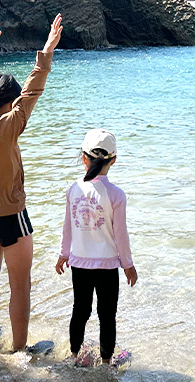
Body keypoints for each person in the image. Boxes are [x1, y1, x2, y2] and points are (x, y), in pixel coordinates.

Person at [0, 14, 63, 352]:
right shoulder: (8, 125)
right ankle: (20, 351)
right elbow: (33, 90)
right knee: (21, 285)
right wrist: (46, 51)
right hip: (8, 213)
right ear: (10, 103)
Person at [55, 129, 137, 367]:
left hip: (79, 263)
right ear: (113, 160)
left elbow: (67, 227)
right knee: (107, 315)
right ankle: (106, 361)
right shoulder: (116, 195)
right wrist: (128, 265)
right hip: (108, 265)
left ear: (83, 158)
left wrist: (63, 254)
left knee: (80, 310)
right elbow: (121, 235)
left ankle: (73, 355)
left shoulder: (74, 189)